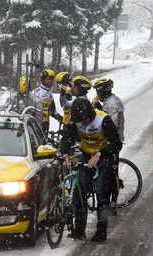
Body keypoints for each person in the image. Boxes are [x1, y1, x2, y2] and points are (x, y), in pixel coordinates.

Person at [60, 98, 123, 242]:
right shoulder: (76, 120)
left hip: (104, 155)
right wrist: (65, 154)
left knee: (102, 192)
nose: (84, 123)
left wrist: (99, 154)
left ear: (90, 114)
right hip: (86, 154)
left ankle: (101, 231)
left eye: (86, 119)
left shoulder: (103, 120)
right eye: (81, 121)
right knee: (80, 191)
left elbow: (116, 143)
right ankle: (79, 230)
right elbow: (66, 137)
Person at [93, 77, 125, 214]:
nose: (96, 94)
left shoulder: (111, 104)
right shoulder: (111, 100)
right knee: (111, 172)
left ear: (103, 91)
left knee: (112, 174)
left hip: (112, 143)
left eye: (97, 91)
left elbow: (109, 124)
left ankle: (113, 203)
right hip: (112, 142)